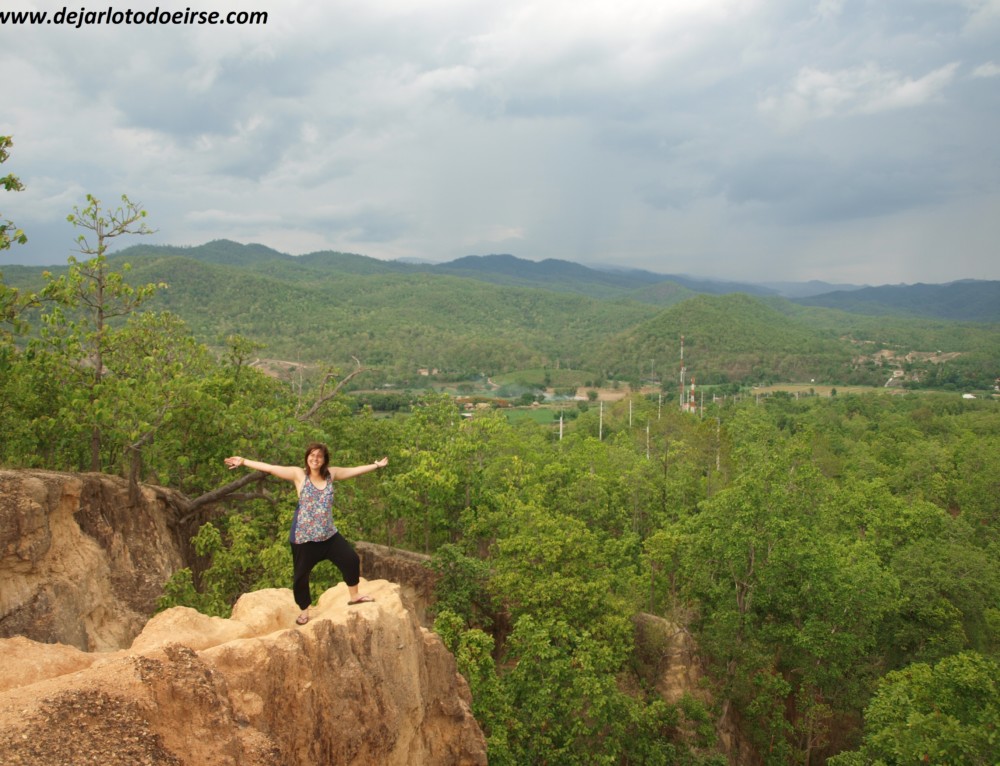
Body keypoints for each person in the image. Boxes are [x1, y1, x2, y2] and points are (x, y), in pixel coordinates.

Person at [224, 443, 388, 625]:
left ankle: (354, 595)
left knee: (351, 559)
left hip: (328, 536)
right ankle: (304, 611)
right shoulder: (299, 475)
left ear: (324, 460)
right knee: (301, 577)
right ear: (307, 457)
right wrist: (244, 461)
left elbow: (353, 471)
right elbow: (271, 468)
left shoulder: (330, 475)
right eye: (312, 455)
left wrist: (376, 466)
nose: (315, 459)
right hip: (304, 538)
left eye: (319, 456)